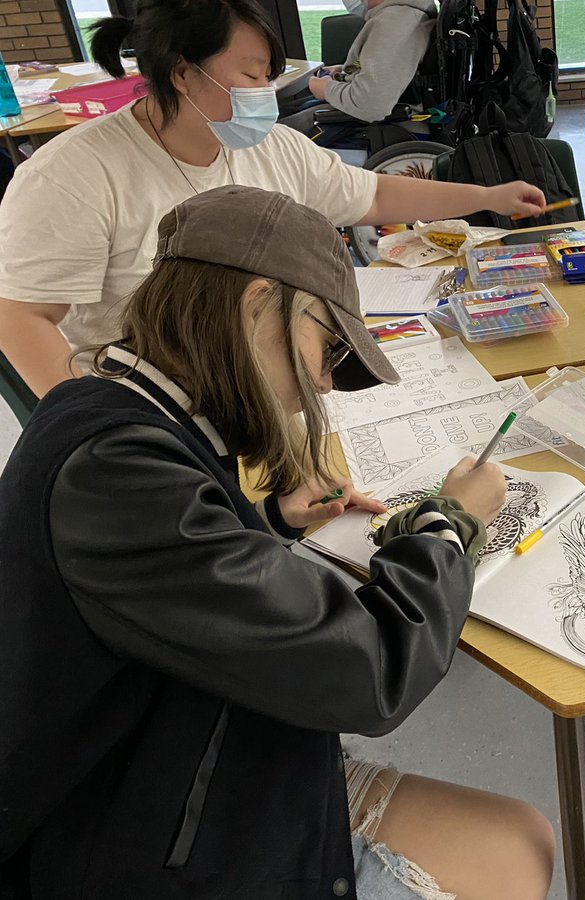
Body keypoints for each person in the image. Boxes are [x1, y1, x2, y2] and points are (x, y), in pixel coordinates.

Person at [0, 185, 555, 899]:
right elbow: (371, 671)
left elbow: (170, 583)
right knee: (515, 851)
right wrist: (450, 526)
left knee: (522, 836)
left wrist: (271, 521)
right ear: (256, 301)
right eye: (326, 348)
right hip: (130, 827)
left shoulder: (110, 405)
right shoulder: (119, 479)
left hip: (183, 744)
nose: (320, 384)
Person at [0, 0, 545, 400]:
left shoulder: (273, 146)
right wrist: (93, 424)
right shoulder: (73, 175)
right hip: (158, 400)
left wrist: (484, 194)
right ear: (183, 72)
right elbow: (20, 316)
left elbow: (372, 194)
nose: (266, 92)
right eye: (252, 74)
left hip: (274, 378)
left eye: (269, 75)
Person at [286, 0, 437, 130]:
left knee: (276, 132)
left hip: (379, 128)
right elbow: (391, 68)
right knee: (287, 110)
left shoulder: (396, 21)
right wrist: (345, 71)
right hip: (372, 119)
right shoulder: (400, 16)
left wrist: (325, 89)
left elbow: (372, 105)